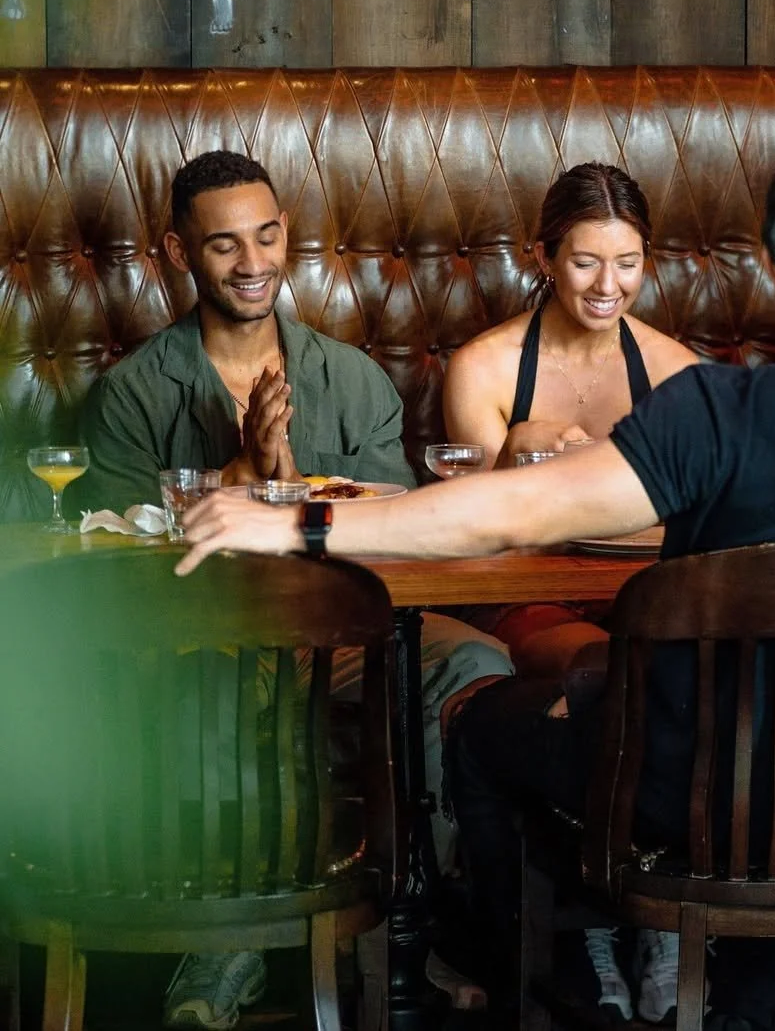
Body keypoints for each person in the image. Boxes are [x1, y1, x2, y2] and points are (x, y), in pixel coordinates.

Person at [176, 148, 775, 1031]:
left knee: (478, 724)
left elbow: (503, 514)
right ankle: (734, 998)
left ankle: (551, 981)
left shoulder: (713, 414)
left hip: (695, 802)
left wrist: (298, 523)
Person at [80, 151, 512, 1029]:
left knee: (471, 660)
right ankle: (223, 950)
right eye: (225, 245)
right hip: (205, 642)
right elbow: (116, 570)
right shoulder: (130, 393)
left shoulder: (352, 379)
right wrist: (244, 469)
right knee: (219, 688)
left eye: (269, 236)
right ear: (177, 252)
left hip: (347, 642)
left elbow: (397, 540)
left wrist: (293, 483)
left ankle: (412, 923)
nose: (253, 263)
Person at [440, 162, 699, 1019]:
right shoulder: (483, 368)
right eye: (586, 261)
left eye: (628, 263)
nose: (608, 284)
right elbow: (485, 522)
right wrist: (519, 451)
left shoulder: (675, 370)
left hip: (652, 602)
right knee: (603, 673)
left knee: (662, 664)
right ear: (541, 256)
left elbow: (705, 512)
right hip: (528, 596)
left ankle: (660, 914)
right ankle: (596, 917)